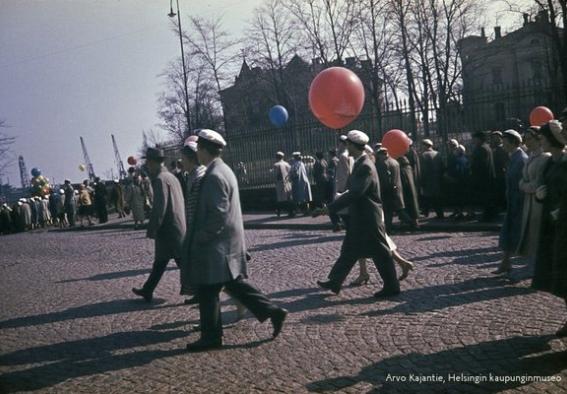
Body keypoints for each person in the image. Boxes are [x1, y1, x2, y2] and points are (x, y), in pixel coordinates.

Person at [184, 129, 287, 352]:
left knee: (208, 290)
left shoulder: (213, 176)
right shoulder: (223, 169)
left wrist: (201, 236)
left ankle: (211, 337)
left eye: (198, 148)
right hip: (226, 244)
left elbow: (218, 214)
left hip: (216, 245)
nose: (197, 153)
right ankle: (272, 311)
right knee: (234, 285)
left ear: (203, 150)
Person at [317, 130, 400, 298]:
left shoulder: (365, 166)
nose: (345, 146)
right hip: (361, 217)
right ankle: (334, 282)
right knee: (349, 250)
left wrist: (331, 207)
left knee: (381, 253)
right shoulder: (360, 163)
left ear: (352, 146)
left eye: (347, 143)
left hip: (369, 218)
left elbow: (355, 193)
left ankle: (392, 286)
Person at [132, 147, 186, 303]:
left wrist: (152, 228)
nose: (147, 166)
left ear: (152, 162)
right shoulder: (171, 176)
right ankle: (148, 289)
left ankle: (198, 290)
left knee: (180, 262)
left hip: (168, 228)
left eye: (147, 163)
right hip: (175, 226)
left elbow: (159, 207)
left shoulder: (160, 179)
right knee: (161, 262)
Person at [531, 120, 567, 337]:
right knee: (559, 274)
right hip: (553, 227)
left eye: (543, 138)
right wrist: (539, 195)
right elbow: (544, 186)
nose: (540, 141)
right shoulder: (549, 163)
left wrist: (561, 210)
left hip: (564, 223)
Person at [493, 130, 528, 275]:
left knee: (518, 234)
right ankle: (505, 263)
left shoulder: (521, 158)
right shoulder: (513, 157)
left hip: (520, 202)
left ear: (514, 142)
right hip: (512, 201)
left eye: (505, 140)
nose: (503, 143)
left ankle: (516, 266)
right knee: (508, 233)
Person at [516, 126, 549, 269]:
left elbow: (538, 183)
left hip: (538, 202)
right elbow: (523, 178)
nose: (526, 142)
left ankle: (537, 266)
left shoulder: (544, 158)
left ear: (539, 139)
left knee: (537, 233)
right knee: (529, 233)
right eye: (525, 139)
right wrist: (524, 184)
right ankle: (532, 264)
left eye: (530, 139)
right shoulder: (530, 157)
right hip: (529, 201)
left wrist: (524, 186)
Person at [470, 131, 496, 221]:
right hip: (488, 176)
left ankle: (487, 217)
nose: (473, 140)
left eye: (474, 138)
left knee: (485, 199)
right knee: (488, 198)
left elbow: (478, 164)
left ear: (479, 139)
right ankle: (490, 215)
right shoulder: (487, 147)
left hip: (482, 177)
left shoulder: (480, 148)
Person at [420, 139, 444, 219]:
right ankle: (440, 214)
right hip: (437, 179)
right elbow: (442, 166)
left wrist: (422, 181)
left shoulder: (423, 155)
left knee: (427, 197)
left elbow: (422, 170)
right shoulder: (438, 154)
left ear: (425, 145)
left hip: (428, 180)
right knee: (437, 198)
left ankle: (426, 212)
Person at [289, 152, 312, 216]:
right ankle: (307, 210)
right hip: (305, 181)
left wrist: (290, 177)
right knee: (305, 197)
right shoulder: (302, 163)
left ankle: (295, 211)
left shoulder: (295, 164)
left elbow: (295, 173)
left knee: (297, 198)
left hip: (298, 183)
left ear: (294, 157)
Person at [491, 131, 509, 212]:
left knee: (502, 190)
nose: (495, 139)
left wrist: (505, 169)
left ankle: (504, 206)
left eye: (496, 137)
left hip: (501, 173)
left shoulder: (501, 148)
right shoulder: (494, 148)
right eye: (493, 137)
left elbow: (505, 161)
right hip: (497, 172)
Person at [272, 151, 291, 217]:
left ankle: (279, 211)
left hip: (279, 183)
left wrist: (275, 182)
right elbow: (290, 173)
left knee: (280, 198)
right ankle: (290, 211)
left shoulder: (276, 165)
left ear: (277, 157)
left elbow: (275, 175)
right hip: (287, 182)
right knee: (288, 197)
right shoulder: (287, 164)